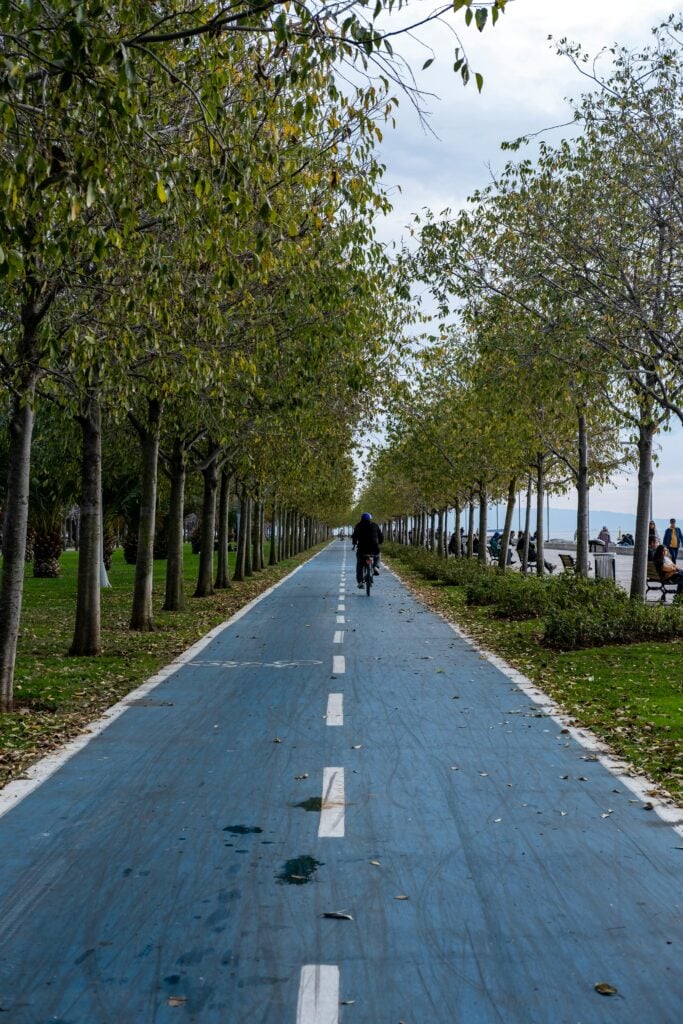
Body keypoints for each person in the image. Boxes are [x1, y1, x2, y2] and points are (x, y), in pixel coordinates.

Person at [351, 512, 383, 587]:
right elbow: (380, 536)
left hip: (362, 549)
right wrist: (380, 542)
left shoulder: (358, 525)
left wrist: (354, 543)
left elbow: (354, 536)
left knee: (359, 564)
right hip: (374, 548)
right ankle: (375, 566)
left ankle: (360, 582)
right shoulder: (375, 525)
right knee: (377, 555)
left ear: (361, 518)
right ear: (370, 519)